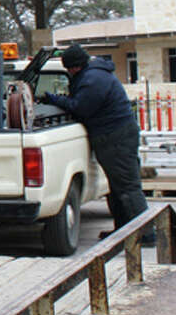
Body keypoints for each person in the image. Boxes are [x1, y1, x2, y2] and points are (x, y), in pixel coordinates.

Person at [41, 44, 152, 244]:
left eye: (69, 69)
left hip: (116, 138)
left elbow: (81, 108)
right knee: (118, 189)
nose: (69, 72)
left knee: (127, 188)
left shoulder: (93, 79)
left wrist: (55, 99)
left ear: (75, 66)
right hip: (114, 136)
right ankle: (124, 233)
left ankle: (146, 234)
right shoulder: (93, 75)